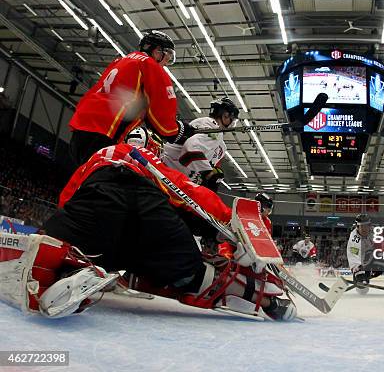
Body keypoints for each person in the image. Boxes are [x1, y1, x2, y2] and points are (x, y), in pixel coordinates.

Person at [36, 133, 296, 320]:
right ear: (151, 147)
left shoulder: (96, 158)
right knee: (187, 269)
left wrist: (64, 229)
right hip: (147, 204)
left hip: (97, 200)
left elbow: (66, 200)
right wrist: (227, 220)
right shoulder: (148, 158)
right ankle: (267, 301)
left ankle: (72, 271)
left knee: (65, 245)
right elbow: (187, 192)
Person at [68, 30, 194, 166]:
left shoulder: (122, 60)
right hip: (104, 129)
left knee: (80, 174)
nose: (165, 63)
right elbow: (161, 116)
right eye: (167, 57)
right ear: (157, 50)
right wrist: (178, 130)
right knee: (94, 178)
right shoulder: (150, 65)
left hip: (81, 123)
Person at [162, 97, 240, 192]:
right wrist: (208, 173)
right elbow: (191, 149)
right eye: (232, 120)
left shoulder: (219, 142)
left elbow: (204, 160)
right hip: (168, 171)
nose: (232, 124)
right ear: (225, 116)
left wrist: (212, 172)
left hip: (174, 175)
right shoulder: (213, 127)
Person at [345, 213, 384, 295]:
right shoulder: (354, 239)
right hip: (362, 263)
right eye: (362, 226)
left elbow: (382, 248)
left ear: (370, 225)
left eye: (366, 226)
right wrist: (359, 273)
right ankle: (362, 281)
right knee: (362, 290)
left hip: (374, 257)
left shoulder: (376, 232)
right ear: (357, 227)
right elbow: (354, 259)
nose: (364, 229)